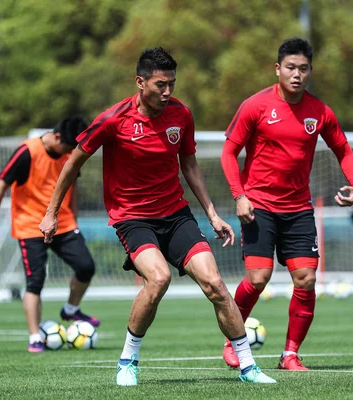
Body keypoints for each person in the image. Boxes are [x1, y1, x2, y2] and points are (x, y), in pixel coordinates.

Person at [39, 47, 276, 386]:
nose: (167, 92)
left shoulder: (181, 115)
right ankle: (127, 361)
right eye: (160, 85)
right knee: (159, 278)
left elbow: (189, 165)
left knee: (216, 285)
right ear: (140, 82)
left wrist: (211, 214)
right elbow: (73, 162)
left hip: (176, 215)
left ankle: (249, 367)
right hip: (132, 218)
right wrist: (51, 214)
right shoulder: (112, 119)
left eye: (172, 84)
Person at [220, 37, 353, 371]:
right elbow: (229, 152)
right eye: (290, 68)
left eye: (303, 68)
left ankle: (290, 354)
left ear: (310, 70)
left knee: (306, 279)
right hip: (258, 206)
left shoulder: (320, 112)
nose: (296, 74)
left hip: (298, 210)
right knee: (258, 278)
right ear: (278, 69)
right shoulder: (255, 106)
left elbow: (342, 148)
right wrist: (239, 196)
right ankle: (231, 340)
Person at [0, 116, 100, 353]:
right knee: (35, 281)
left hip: (63, 223)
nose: (71, 152)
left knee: (86, 267)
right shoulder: (27, 152)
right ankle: (35, 336)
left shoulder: (71, 153)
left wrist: (72, 216)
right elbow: (0, 184)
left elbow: (72, 185)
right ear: (56, 137)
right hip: (30, 226)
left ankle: (71, 310)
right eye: (68, 147)